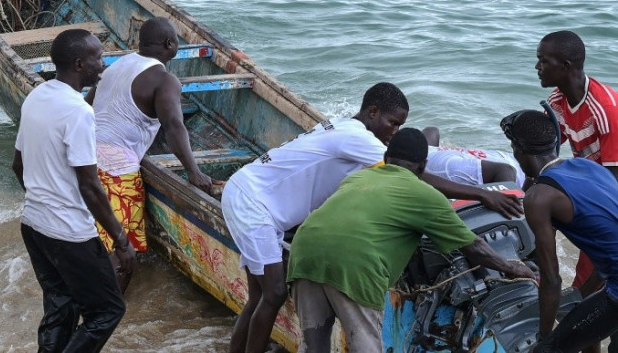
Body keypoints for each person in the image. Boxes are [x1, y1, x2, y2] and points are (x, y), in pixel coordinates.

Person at [220, 82, 521, 353]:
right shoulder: (361, 140)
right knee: (272, 292)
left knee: (260, 295)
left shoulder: (340, 126)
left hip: (251, 194)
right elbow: (417, 177)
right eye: (393, 123)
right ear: (373, 113)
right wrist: (481, 194)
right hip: (255, 203)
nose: (394, 131)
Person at [287, 128, 534, 353]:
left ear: (386, 156)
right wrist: (511, 267)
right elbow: (473, 246)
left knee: (313, 346)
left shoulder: (358, 179)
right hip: (354, 264)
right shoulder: (425, 194)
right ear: (422, 166)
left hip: (304, 251)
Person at [11, 29, 133, 352]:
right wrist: (121, 240)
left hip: (33, 224)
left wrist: (43, 199)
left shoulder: (36, 97)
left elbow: (17, 165)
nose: (103, 66)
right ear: (79, 64)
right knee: (107, 310)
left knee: (61, 307)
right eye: (98, 58)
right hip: (68, 233)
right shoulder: (79, 112)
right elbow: (90, 186)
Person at [86, 17, 217, 291]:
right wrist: (194, 172)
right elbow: (173, 126)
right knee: (119, 250)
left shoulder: (118, 64)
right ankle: (107, 312)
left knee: (93, 240)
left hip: (84, 157)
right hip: (116, 171)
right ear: (170, 44)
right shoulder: (164, 79)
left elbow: (88, 103)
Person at [503, 108, 618, 352]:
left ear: (519, 151)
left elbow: (551, 280)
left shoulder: (539, 197)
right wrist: (582, 295)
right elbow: (608, 237)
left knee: (552, 348)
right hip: (613, 282)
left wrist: (544, 338)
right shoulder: (591, 167)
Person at [536, 30, 618, 305]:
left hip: (607, 194)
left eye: (543, 61)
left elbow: (613, 182)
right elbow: (545, 158)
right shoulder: (557, 103)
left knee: (587, 293)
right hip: (593, 187)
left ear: (566, 66)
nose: (537, 68)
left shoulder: (605, 109)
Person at [421, 126, 526, 188]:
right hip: (515, 157)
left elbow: (506, 170)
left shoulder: (446, 167)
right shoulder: (425, 148)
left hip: (521, 175)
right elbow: (431, 130)